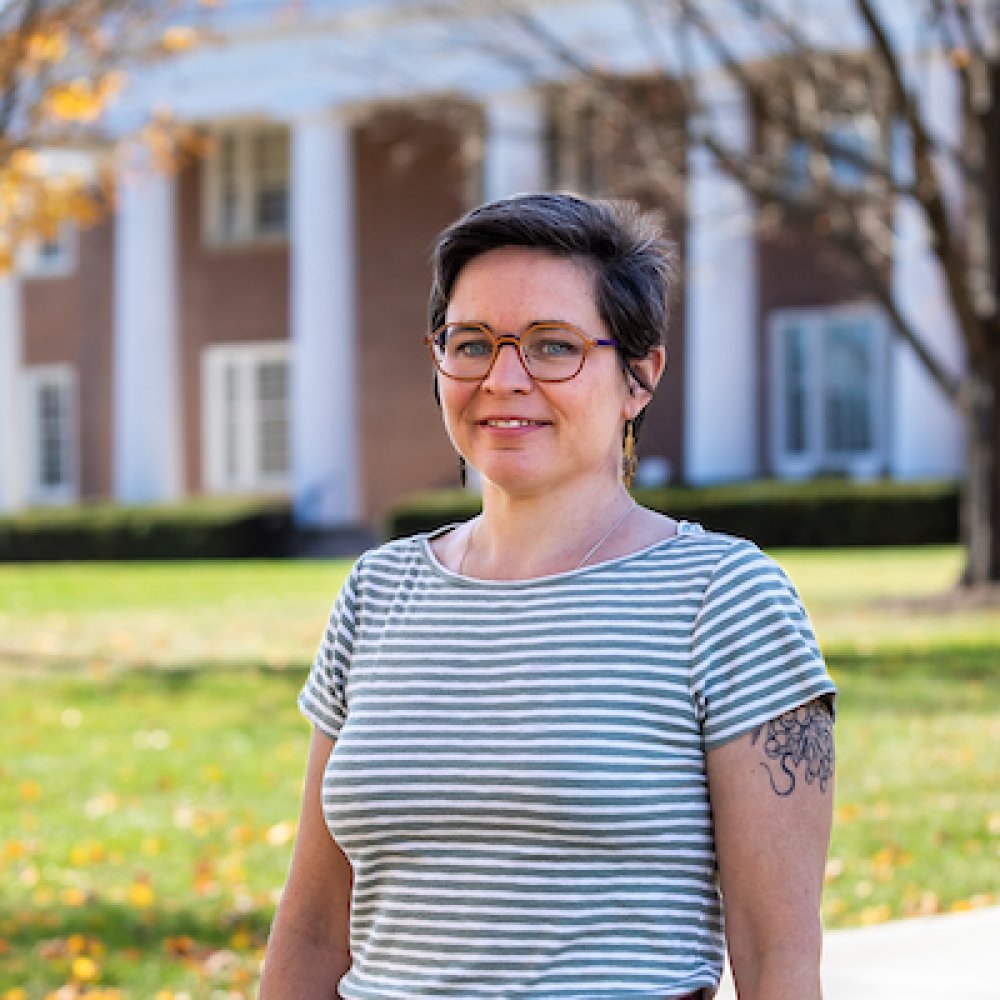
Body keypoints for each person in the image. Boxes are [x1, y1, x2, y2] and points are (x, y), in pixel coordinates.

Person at [260, 192, 836, 1000]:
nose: (503, 378)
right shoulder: (377, 592)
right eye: (471, 343)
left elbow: (779, 962)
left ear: (640, 375)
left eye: (552, 346)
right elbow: (314, 925)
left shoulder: (724, 599)